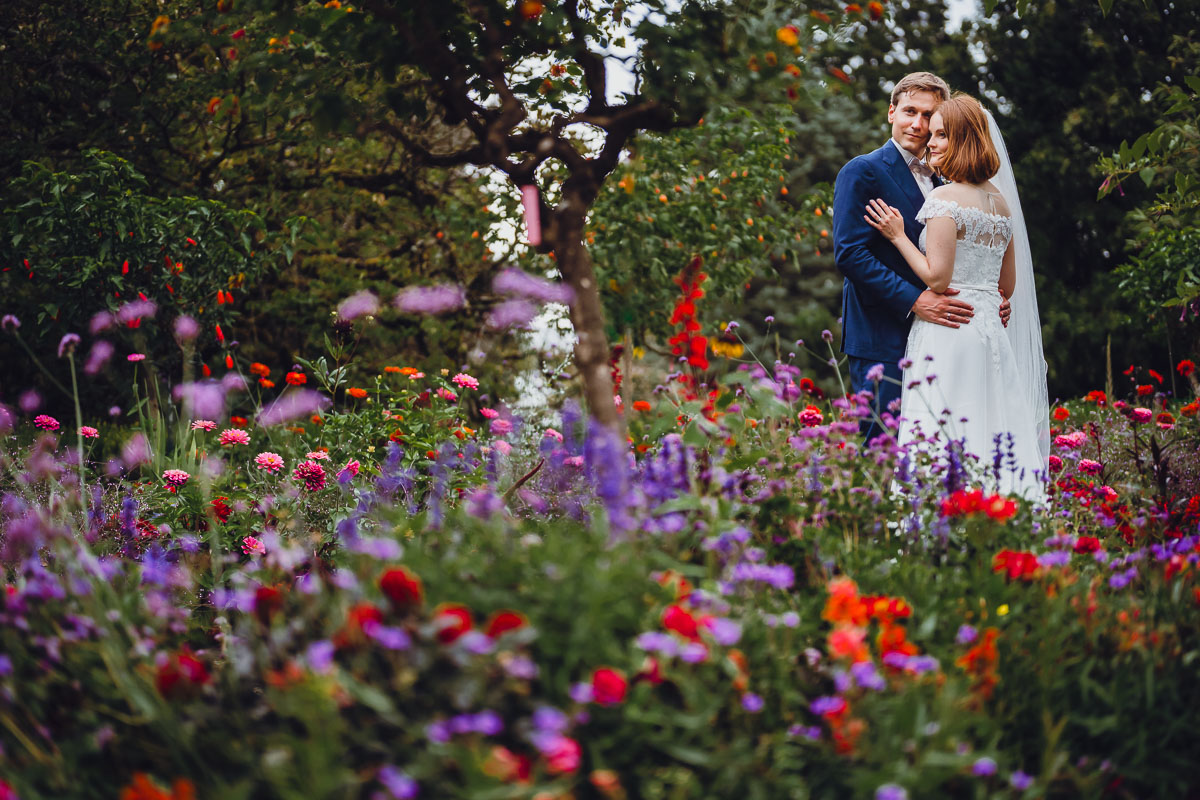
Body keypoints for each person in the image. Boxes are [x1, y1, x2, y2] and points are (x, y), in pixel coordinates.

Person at [863, 94, 1049, 496]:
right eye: (932, 135)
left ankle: (940, 520)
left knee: (943, 425)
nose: (930, 142)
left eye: (941, 135)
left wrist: (898, 236)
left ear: (963, 139)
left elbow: (937, 278)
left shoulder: (945, 198)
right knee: (991, 422)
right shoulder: (1000, 203)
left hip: (949, 327)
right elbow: (1008, 286)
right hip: (988, 333)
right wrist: (990, 299)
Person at [832, 72, 1011, 442]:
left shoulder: (949, 184)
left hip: (945, 339)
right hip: (881, 333)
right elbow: (850, 255)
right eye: (909, 111)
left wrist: (991, 299)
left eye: (928, 115)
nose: (917, 123)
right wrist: (916, 301)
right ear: (891, 113)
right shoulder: (862, 171)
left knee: (941, 443)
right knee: (882, 446)